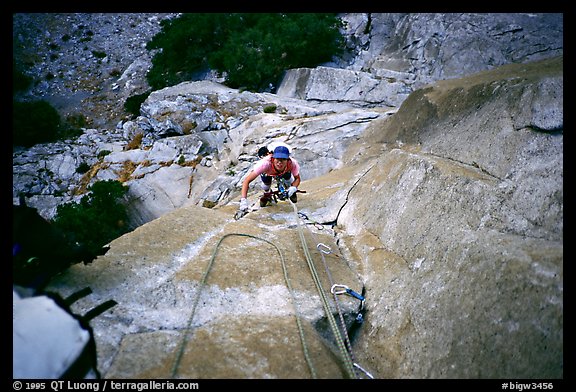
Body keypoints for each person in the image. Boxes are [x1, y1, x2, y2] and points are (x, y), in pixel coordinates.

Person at [239, 145, 301, 212]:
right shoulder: (264, 164)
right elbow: (247, 180)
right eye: (277, 159)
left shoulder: (292, 163)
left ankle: (289, 190)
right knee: (266, 185)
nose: (280, 162)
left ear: (287, 159)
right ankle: (267, 193)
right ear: (273, 158)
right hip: (268, 172)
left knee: (289, 179)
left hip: (285, 171)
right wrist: (243, 200)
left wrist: (293, 188)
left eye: (283, 159)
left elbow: (297, 178)